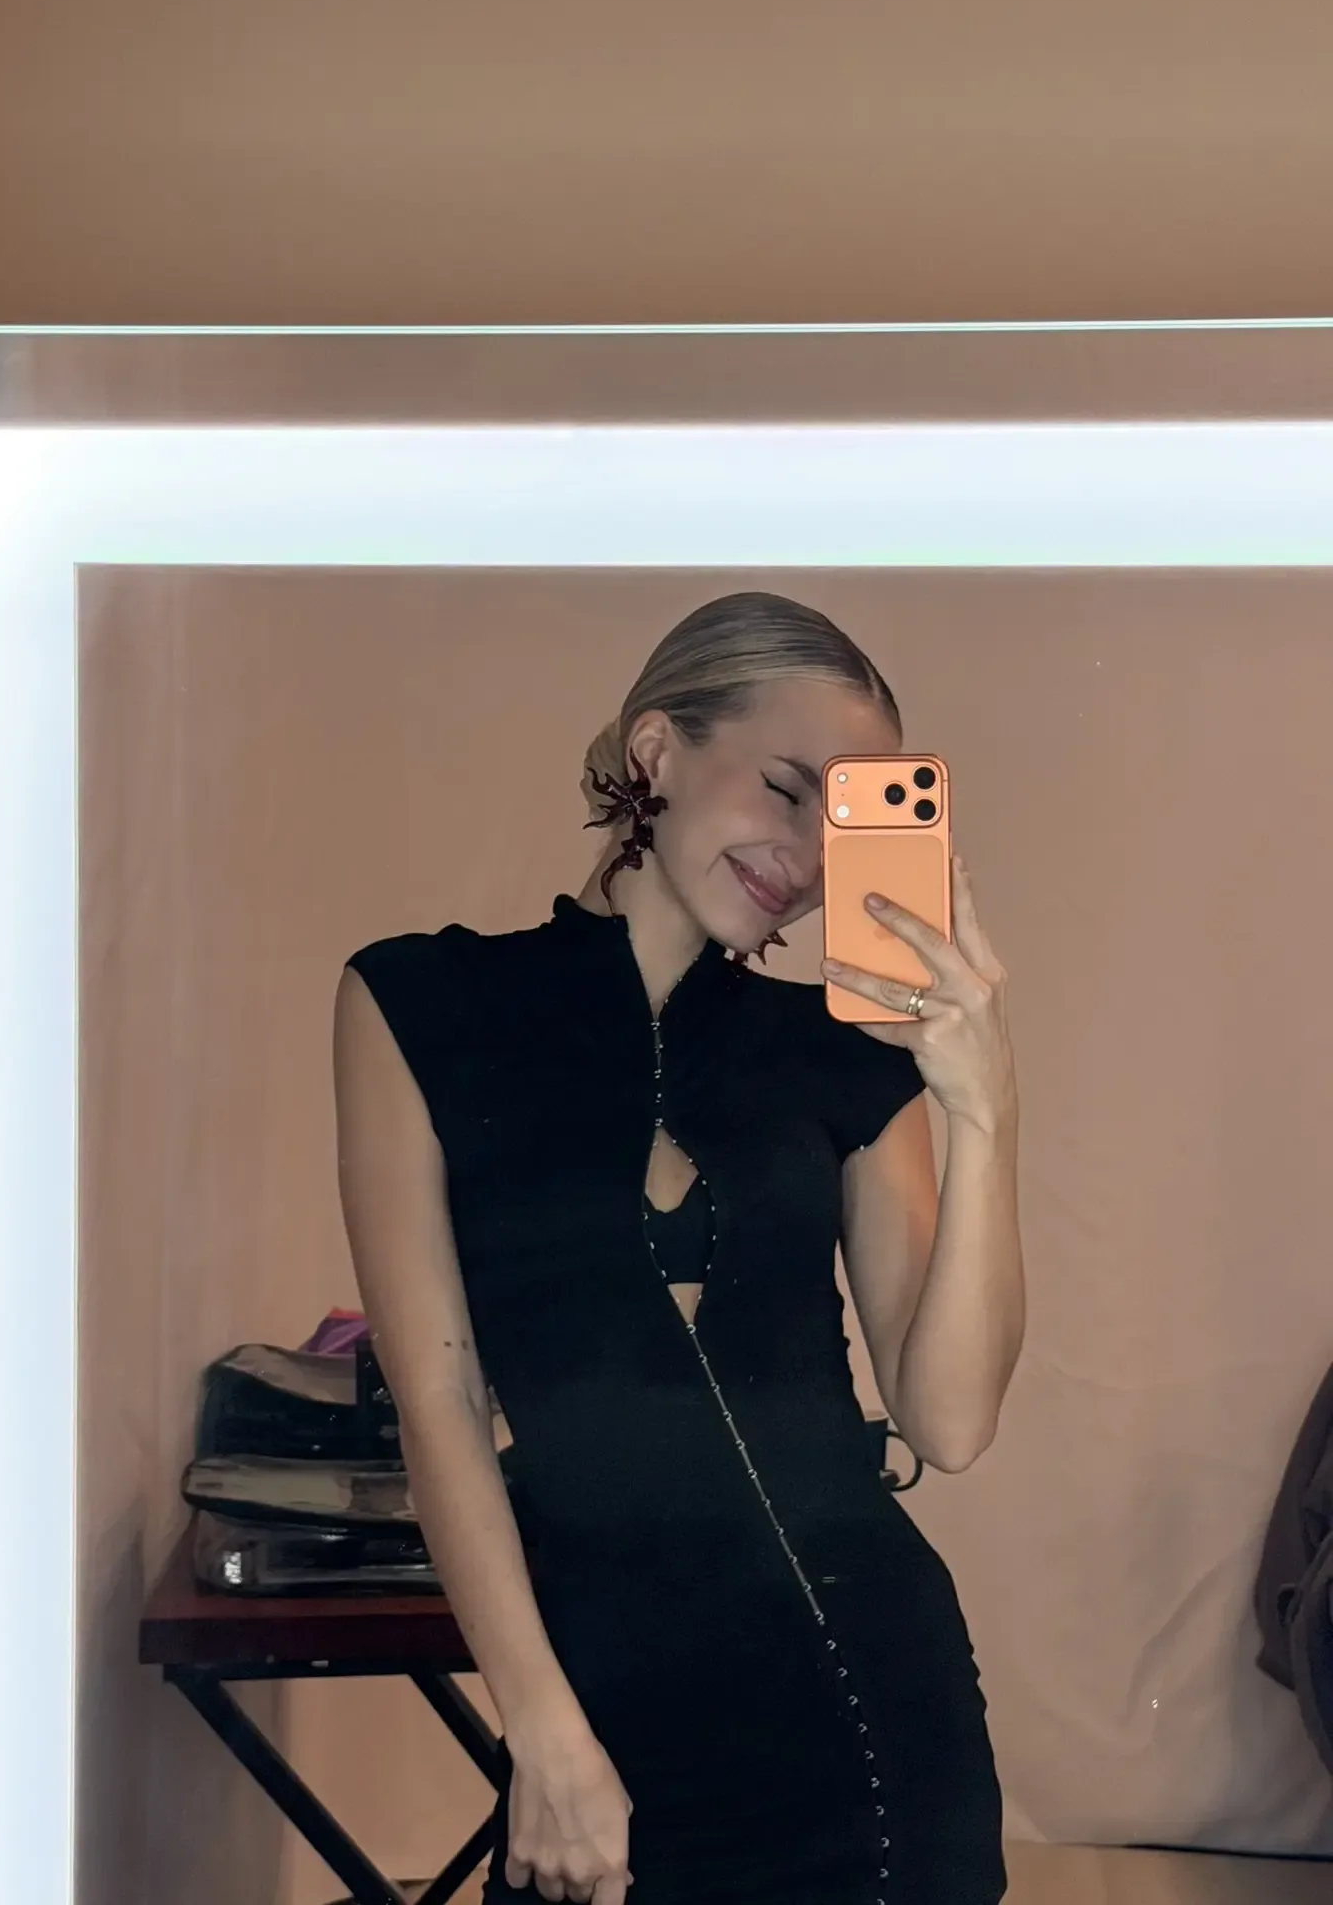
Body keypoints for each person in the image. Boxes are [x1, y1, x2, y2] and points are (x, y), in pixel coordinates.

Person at [334, 592, 1024, 1905]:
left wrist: (986, 1114)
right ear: (656, 750)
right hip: (608, 1726)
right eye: (786, 789)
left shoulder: (842, 1060)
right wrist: (541, 1730)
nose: (806, 854)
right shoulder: (420, 1005)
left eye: (842, 823)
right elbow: (440, 1402)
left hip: (878, 1728)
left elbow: (952, 1419)